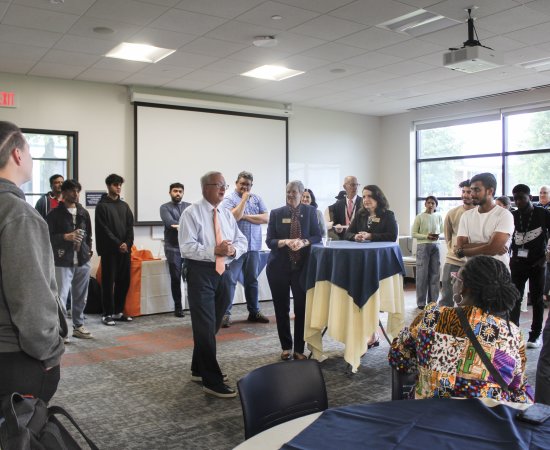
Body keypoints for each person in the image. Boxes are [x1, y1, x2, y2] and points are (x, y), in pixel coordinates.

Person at [389, 255, 533, 403]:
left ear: (463, 287)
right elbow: (516, 384)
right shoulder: (511, 333)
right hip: (486, 420)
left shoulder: (432, 317)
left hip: (428, 415)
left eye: (456, 278)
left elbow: (398, 357)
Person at [0, 121, 65, 402]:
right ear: (17, 154)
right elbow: (31, 297)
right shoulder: (18, 214)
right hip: (16, 358)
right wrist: (49, 353)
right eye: (29, 150)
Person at [179, 171, 248, 398]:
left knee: (213, 324)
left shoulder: (226, 214)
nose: (223, 189)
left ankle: (198, 368)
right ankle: (211, 379)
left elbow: (241, 240)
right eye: (218, 185)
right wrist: (213, 251)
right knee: (205, 325)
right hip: (201, 273)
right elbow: (186, 248)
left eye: (224, 185)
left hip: (225, 273)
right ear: (205, 188)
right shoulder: (191, 213)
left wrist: (232, 250)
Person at [266, 180, 321, 361]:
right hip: (278, 269)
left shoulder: (311, 212)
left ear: (302, 193)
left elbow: (317, 236)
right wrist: (286, 242)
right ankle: (286, 347)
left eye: (294, 192)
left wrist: (304, 242)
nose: (290, 195)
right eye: (288, 192)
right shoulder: (276, 213)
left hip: (302, 269)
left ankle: (299, 348)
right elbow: (270, 241)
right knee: (281, 309)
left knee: (301, 309)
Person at [344, 184, 397, 347]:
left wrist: (371, 236)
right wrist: (356, 237)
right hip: (361, 262)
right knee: (362, 297)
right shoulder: (359, 215)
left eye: (369, 196)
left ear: (377, 198)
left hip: (379, 263)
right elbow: (347, 233)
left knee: (374, 298)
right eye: (364, 196)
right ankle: (369, 334)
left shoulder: (388, 215)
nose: (365, 200)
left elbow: (392, 236)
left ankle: (373, 333)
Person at [221, 171, 269, 328]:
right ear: (236, 183)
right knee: (230, 281)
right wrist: (243, 201)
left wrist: (246, 216)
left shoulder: (257, 199)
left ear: (251, 185)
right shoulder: (229, 199)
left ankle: (254, 311)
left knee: (252, 281)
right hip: (235, 249)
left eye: (248, 185)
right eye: (242, 184)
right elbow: (233, 217)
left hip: (254, 246)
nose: (245, 187)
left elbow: (266, 218)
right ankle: (225, 314)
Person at [46, 179, 93, 339]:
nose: (76, 194)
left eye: (78, 191)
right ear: (64, 193)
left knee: (81, 295)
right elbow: (47, 237)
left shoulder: (83, 213)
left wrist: (88, 250)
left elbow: (89, 235)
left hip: (82, 259)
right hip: (62, 260)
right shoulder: (54, 214)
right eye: (72, 190)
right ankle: (61, 330)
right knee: (61, 296)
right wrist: (65, 237)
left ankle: (78, 326)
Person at [509, 184, 550, 348]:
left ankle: (534, 335)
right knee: (515, 298)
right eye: (515, 198)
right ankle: (513, 333)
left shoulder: (543, 214)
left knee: (537, 299)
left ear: (530, 197)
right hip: (517, 263)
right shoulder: (512, 215)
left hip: (537, 264)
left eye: (522, 198)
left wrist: (546, 257)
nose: (518, 201)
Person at [95, 173, 134, 326]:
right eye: (114, 185)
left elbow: (130, 227)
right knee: (108, 282)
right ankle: (107, 314)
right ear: (108, 186)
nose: (118, 187)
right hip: (110, 251)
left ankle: (118, 312)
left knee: (124, 281)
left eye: (119, 185)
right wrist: (118, 243)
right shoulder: (102, 206)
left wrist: (127, 244)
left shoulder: (124, 206)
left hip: (125, 251)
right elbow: (104, 229)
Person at [455, 173, 514, 267]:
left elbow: (492, 249)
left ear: (490, 191)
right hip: (472, 273)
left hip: (497, 275)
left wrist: (464, 250)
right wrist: (488, 245)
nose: (472, 194)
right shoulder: (466, 216)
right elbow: (460, 246)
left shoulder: (504, 215)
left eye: (477, 190)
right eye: (471, 190)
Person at [440, 180, 474, 307]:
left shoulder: (479, 214)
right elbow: (448, 236)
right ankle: (444, 323)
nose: (465, 195)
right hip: (453, 261)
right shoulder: (452, 213)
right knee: (446, 295)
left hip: (472, 261)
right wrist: (452, 251)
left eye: (469, 192)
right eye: (463, 191)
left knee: (469, 299)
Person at [160, 182, 190, 318]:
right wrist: (184, 225)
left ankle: (194, 305)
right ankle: (178, 307)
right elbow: (169, 222)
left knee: (193, 276)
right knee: (176, 277)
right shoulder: (164, 207)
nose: (178, 193)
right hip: (172, 247)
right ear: (170, 192)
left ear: (183, 193)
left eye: (180, 191)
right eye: (175, 191)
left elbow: (194, 222)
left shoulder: (189, 207)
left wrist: (180, 225)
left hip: (188, 247)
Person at [411, 196, 443, 310]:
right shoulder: (419, 217)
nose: (430, 205)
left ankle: (433, 301)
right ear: (425, 204)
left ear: (436, 205)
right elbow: (413, 233)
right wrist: (426, 236)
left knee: (435, 274)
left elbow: (442, 230)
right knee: (422, 275)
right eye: (428, 203)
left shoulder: (438, 216)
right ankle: (420, 302)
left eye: (433, 203)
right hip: (423, 246)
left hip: (436, 246)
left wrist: (436, 236)